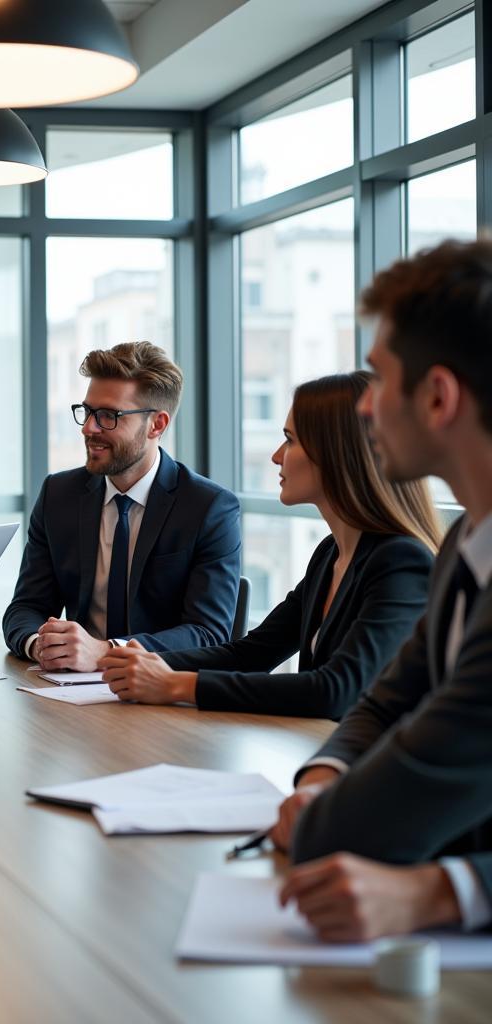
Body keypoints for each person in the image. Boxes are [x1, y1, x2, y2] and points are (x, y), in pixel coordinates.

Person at [272, 239, 492, 942]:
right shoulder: (466, 545)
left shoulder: (421, 555)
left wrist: (448, 890)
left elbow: (432, 760)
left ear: (436, 398)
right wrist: (322, 775)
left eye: (376, 379)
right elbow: (389, 698)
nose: (363, 408)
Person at [99, 371, 439, 719]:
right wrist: (142, 662)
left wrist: (175, 685)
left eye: (290, 441)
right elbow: (252, 654)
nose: (277, 457)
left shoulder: (402, 561)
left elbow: (336, 689)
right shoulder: (330, 554)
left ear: (338, 453)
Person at [3, 341, 241, 672]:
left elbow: (208, 633)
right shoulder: (58, 495)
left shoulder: (209, 508)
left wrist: (105, 651)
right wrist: (42, 646)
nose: (89, 428)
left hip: (164, 697)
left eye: (108, 416)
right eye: (87, 412)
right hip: (74, 696)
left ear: (156, 424)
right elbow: (26, 608)